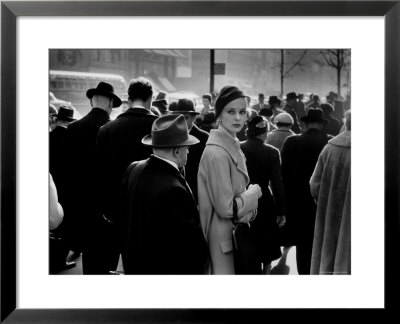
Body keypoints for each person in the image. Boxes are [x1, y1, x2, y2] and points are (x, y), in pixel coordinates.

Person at [121, 114, 209, 274]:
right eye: (187, 147)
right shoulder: (174, 189)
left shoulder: (133, 168)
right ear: (177, 151)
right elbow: (188, 245)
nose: (188, 152)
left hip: (134, 264)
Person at [95, 77, 158, 273]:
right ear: (150, 99)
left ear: (128, 100)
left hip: (116, 211)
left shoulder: (106, 129)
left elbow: (100, 174)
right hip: (151, 211)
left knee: (111, 268)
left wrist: (107, 210)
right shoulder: (160, 128)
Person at [198, 85, 262, 274]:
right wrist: (254, 194)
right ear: (219, 115)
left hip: (232, 238)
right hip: (223, 242)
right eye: (231, 111)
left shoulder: (230, 145)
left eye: (242, 112)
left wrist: (248, 210)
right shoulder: (217, 152)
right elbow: (226, 208)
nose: (237, 118)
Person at [66, 81, 122, 274]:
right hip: (107, 212)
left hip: (81, 209)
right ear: (110, 104)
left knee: (89, 266)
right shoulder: (113, 129)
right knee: (108, 267)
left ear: (91, 101)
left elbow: (68, 174)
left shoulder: (73, 129)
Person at [281, 108, 331, 274]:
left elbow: (284, 175)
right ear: (321, 125)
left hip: (298, 204)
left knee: (303, 246)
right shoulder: (329, 143)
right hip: (323, 203)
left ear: (305, 124)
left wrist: (285, 205)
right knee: (323, 244)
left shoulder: (291, 142)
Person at [240, 116, 286, 274]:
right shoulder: (272, 152)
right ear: (263, 133)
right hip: (264, 199)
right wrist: (281, 210)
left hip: (243, 196)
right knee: (266, 238)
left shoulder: (238, 148)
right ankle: (266, 270)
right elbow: (277, 183)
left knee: (247, 236)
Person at [310, 110, 351, 275]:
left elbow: (314, 183)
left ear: (346, 122)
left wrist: (322, 200)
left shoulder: (329, 148)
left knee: (329, 253)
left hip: (330, 212)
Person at [169, 98, 209, 201]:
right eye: (178, 117)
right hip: (174, 192)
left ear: (194, 117)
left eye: (185, 118)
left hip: (197, 194)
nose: (181, 121)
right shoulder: (171, 135)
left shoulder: (204, 138)